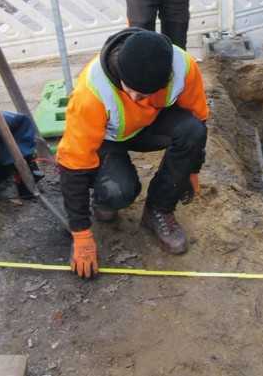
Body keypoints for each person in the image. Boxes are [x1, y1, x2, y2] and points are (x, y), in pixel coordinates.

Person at [57, 28, 209, 278]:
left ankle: (158, 210)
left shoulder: (183, 67)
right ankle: (105, 198)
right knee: (118, 192)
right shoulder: (91, 92)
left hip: (148, 127)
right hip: (108, 137)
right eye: (133, 91)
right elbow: (73, 163)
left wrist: (192, 168)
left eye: (147, 94)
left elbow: (199, 119)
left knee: (191, 130)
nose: (138, 99)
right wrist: (81, 233)